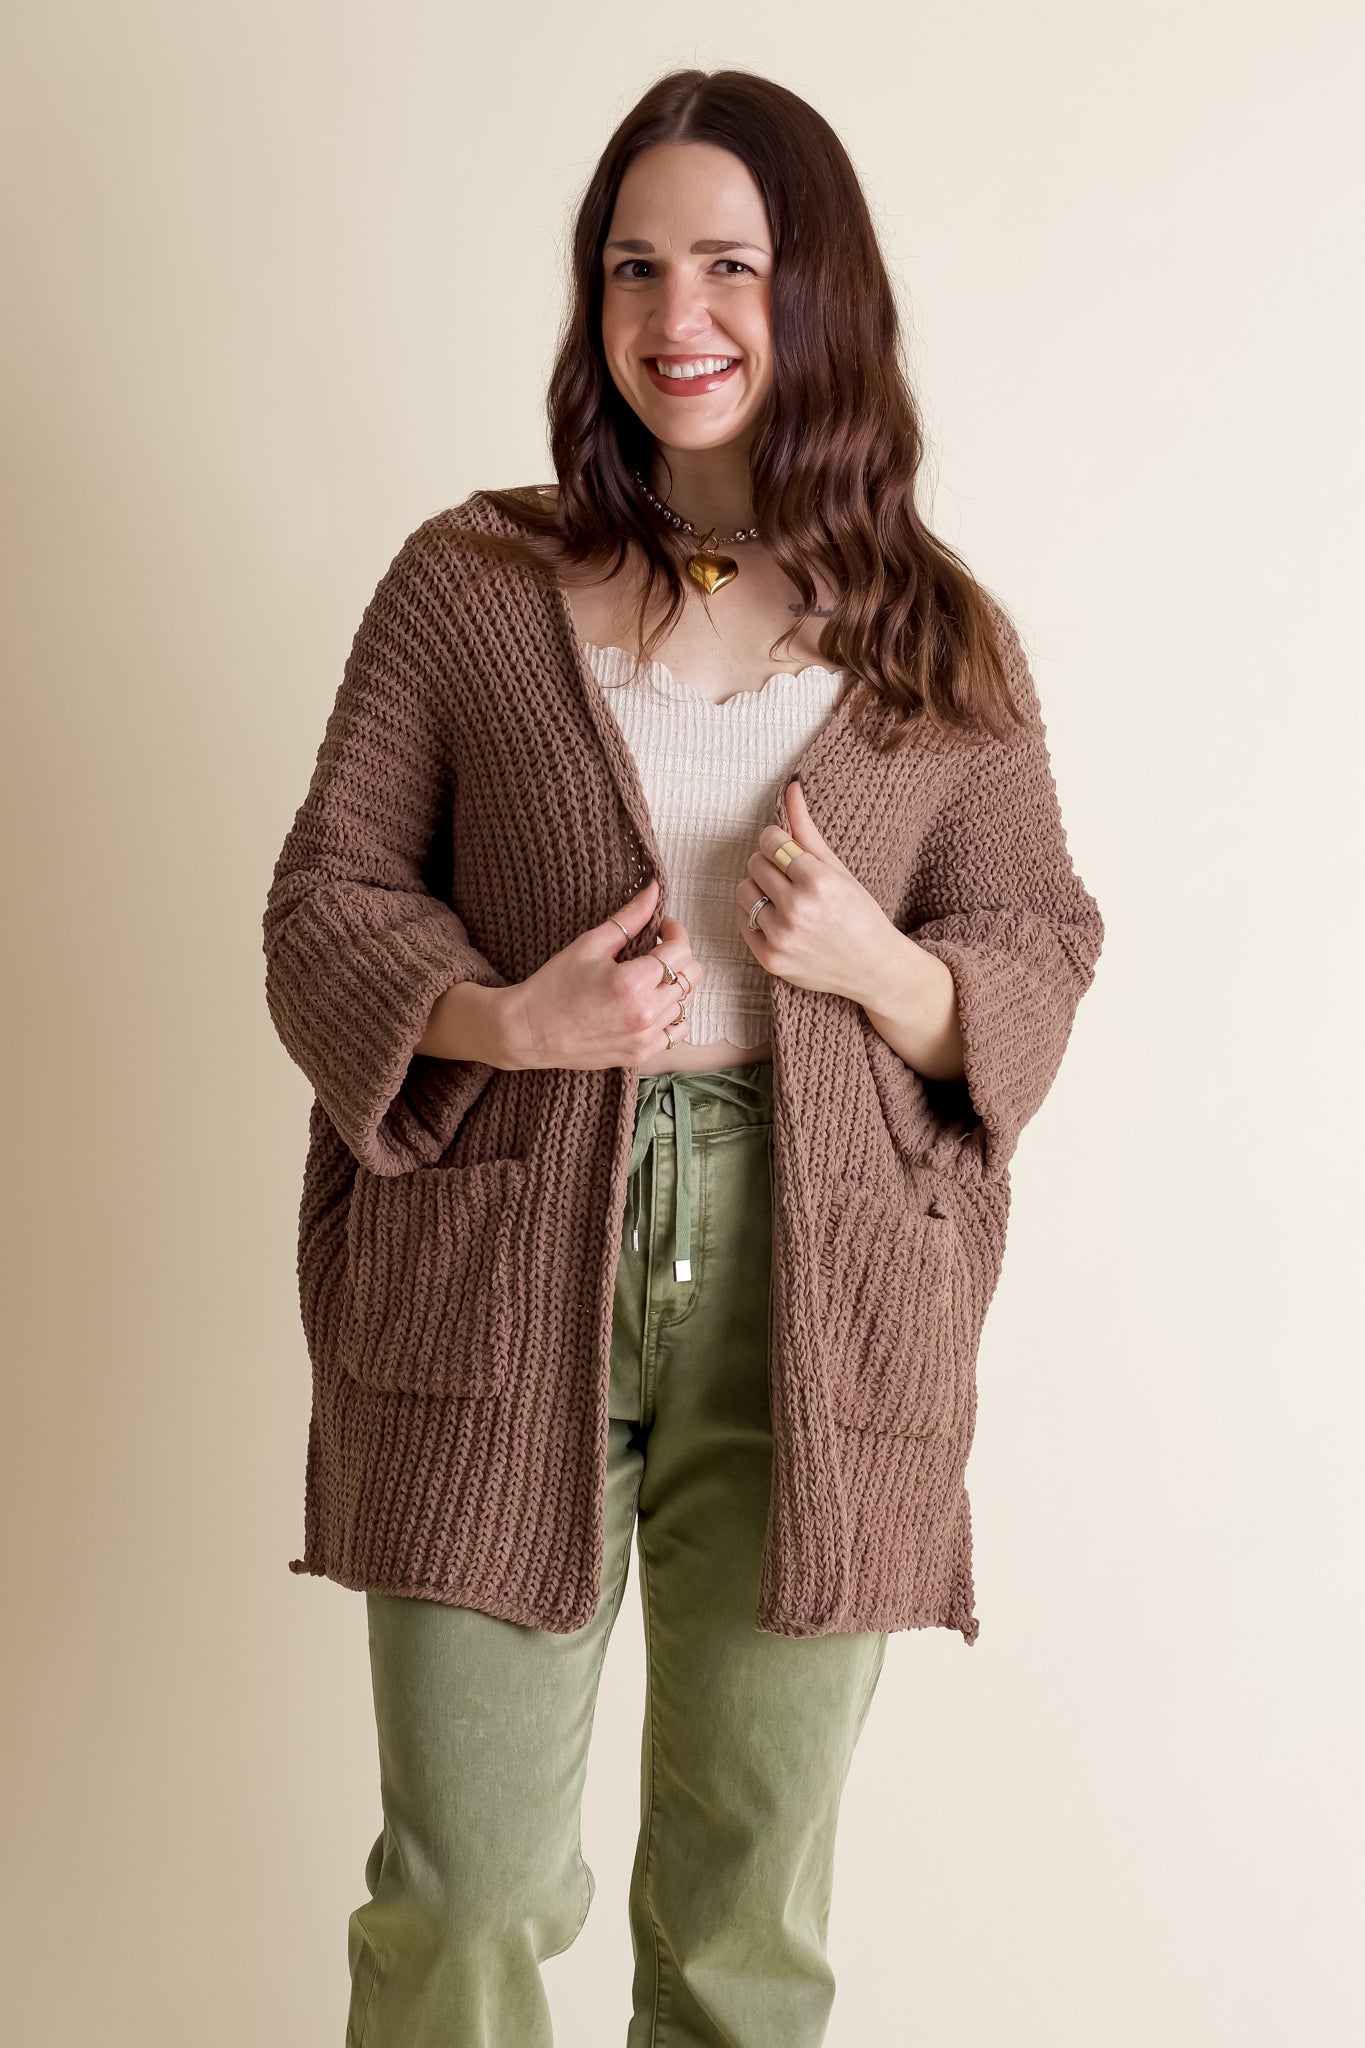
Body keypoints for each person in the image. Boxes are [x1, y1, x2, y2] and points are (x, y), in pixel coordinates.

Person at [262, 66, 1104, 2048]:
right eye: (632, 268)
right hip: (498, 1252)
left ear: (818, 294)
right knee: (463, 1891)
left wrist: (881, 968)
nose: (677, 314)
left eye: (728, 264)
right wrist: (505, 1019)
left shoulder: (936, 640)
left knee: (742, 1926)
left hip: (823, 1284)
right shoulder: (469, 587)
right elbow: (326, 898)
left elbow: (1039, 940)